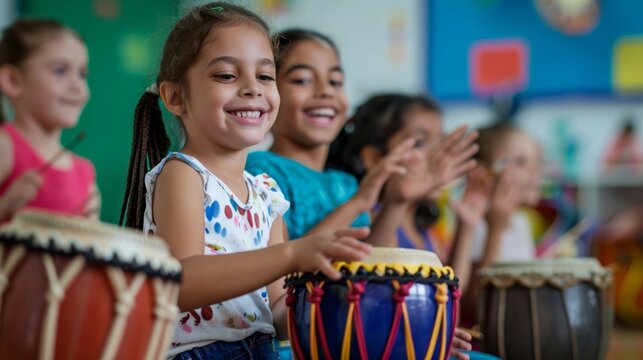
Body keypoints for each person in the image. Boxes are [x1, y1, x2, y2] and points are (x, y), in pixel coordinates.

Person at [119, 4, 371, 359]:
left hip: (261, 350)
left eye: (266, 76)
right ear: (175, 97)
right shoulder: (183, 174)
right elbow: (182, 281)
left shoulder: (267, 194)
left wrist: (372, 324)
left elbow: (280, 309)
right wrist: (291, 254)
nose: (253, 88)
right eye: (226, 75)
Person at [246, 30, 477, 249]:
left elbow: (371, 267)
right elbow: (282, 271)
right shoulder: (260, 173)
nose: (326, 91)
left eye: (335, 82)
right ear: (268, 93)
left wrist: (396, 203)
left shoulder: (345, 184)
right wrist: (357, 203)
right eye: (303, 80)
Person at [328, 93, 481, 290]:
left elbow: (447, 295)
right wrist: (396, 203)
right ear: (374, 158)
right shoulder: (369, 218)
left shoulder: (421, 229)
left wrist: (466, 226)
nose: (437, 156)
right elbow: (365, 281)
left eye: (440, 142)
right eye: (420, 143)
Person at [0, 19, 99, 222]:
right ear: (12, 81)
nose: (77, 86)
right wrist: (5, 207)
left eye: (82, 74)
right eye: (60, 70)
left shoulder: (85, 174)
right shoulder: (5, 146)